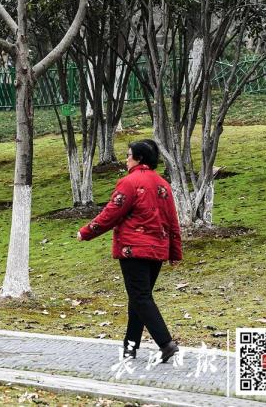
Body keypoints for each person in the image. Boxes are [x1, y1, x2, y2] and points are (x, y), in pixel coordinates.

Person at [77, 139, 182, 362]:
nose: (126, 159)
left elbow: (111, 213)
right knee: (139, 298)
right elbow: (172, 220)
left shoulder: (129, 183)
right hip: (157, 250)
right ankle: (130, 346)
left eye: (128, 155)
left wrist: (86, 232)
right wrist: (174, 252)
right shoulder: (163, 184)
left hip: (133, 250)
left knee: (140, 297)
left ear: (139, 158)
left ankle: (166, 343)